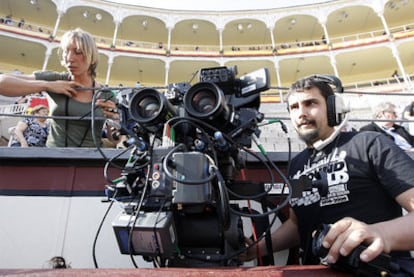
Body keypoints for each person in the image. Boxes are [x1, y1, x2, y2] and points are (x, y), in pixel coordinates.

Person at [243, 75, 414, 273]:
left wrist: (380, 234)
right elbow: (297, 223)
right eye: (294, 107)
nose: (302, 113)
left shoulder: (369, 144)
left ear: (333, 108)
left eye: (310, 103)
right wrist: (257, 249)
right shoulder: (297, 165)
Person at [0, 28, 118, 147]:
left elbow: (116, 140)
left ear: (92, 57)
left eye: (78, 52)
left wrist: (117, 119)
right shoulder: (55, 79)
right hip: (55, 158)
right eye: (66, 51)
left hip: (90, 161)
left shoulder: (106, 94)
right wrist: (48, 85)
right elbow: (2, 82)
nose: (70, 58)